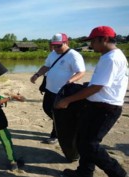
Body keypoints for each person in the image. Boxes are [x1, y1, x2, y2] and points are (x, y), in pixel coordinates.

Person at [55, 26, 128, 177]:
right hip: (95, 105)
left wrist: (67, 100)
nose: (91, 44)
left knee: (90, 145)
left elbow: (97, 87)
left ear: (105, 39)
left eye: (93, 41)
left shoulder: (111, 58)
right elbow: (101, 83)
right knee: (82, 141)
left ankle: (118, 174)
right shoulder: (110, 55)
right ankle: (84, 172)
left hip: (106, 108)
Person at [30, 33, 85, 144]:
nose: (56, 48)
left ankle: (55, 135)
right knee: (47, 108)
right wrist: (37, 75)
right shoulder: (53, 54)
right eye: (54, 45)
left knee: (57, 113)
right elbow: (46, 66)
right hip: (50, 89)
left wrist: (70, 81)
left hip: (62, 92)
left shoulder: (74, 55)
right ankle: (63, 126)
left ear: (66, 43)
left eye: (59, 45)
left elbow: (81, 72)